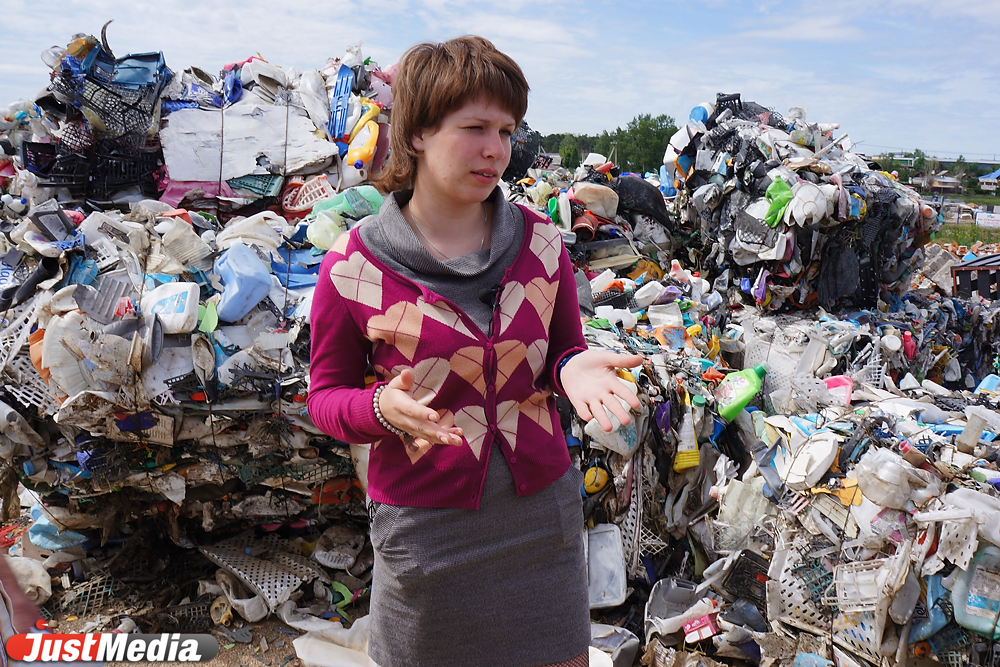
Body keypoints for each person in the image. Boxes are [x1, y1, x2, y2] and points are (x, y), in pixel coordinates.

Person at [308, 35, 642, 667]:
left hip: (540, 520)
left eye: (507, 130)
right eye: (474, 127)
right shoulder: (352, 266)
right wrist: (379, 408)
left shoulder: (542, 243)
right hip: (425, 531)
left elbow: (563, 349)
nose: (496, 149)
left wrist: (576, 368)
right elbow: (324, 398)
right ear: (416, 135)